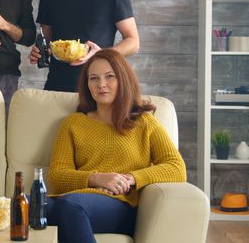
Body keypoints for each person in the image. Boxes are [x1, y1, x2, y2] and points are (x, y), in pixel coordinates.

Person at [47, 49, 186, 242]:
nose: (101, 85)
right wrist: (97, 179)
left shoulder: (144, 123)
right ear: (87, 85)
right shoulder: (73, 123)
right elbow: (57, 175)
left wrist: (129, 179)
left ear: (123, 79)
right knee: (24, 205)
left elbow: (176, 167)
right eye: (93, 78)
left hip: (119, 206)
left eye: (109, 77)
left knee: (69, 206)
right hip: (73, 201)